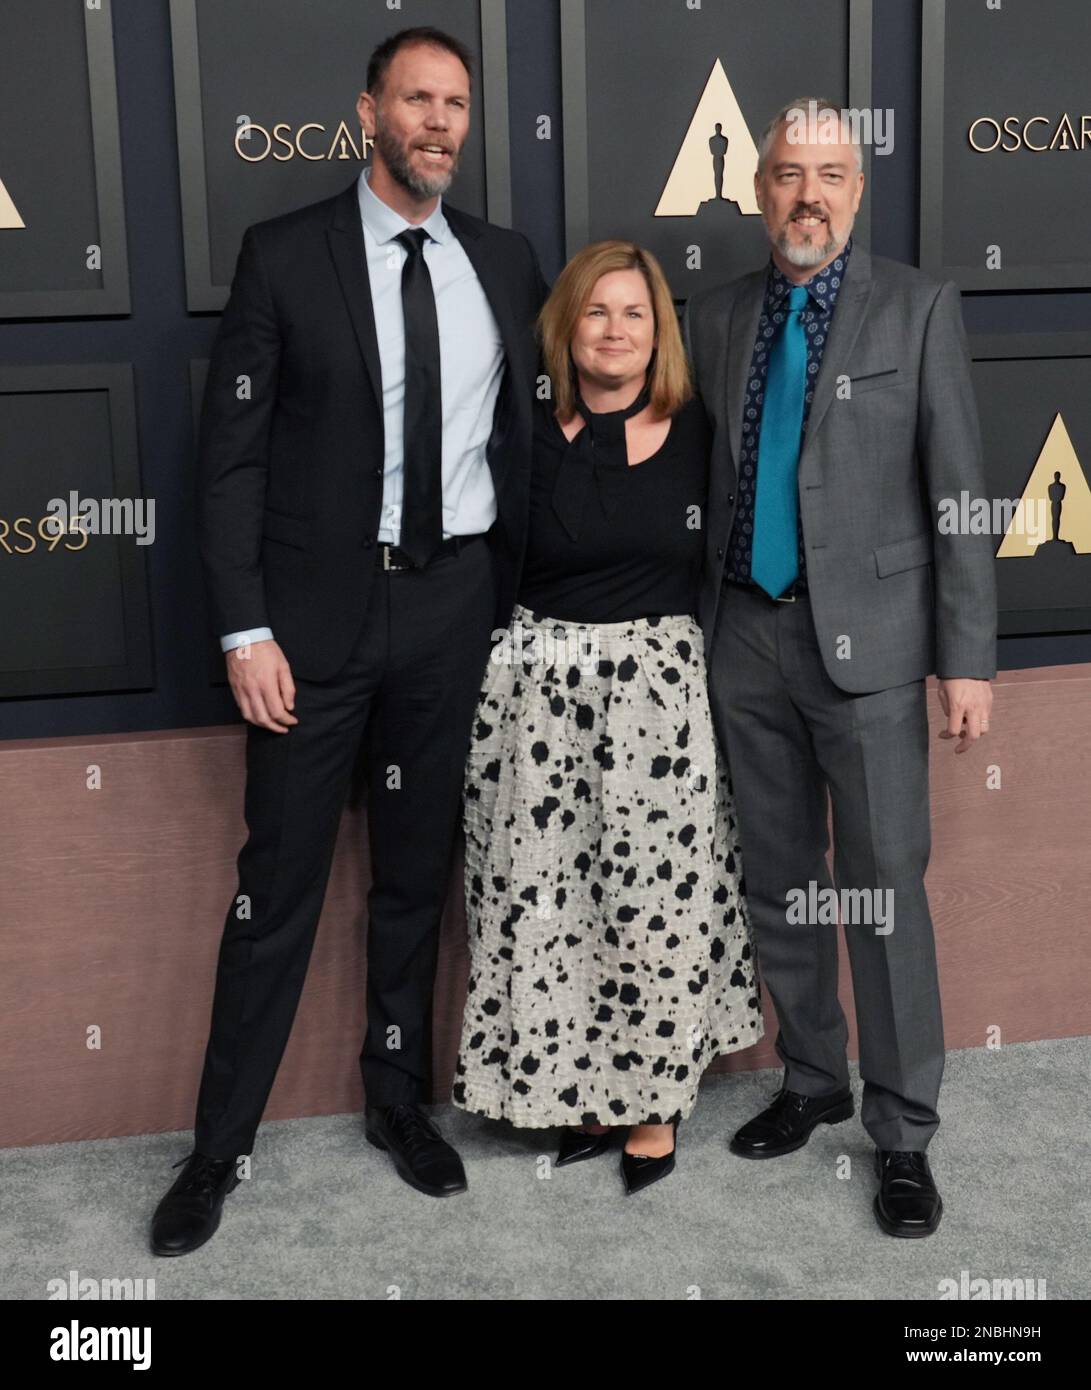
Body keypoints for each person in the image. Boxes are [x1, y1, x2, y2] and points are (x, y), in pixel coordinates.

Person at [151, 27, 547, 1256]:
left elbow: (535, 453)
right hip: (311, 630)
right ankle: (218, 1148)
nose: (438, 121)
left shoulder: (504, 262)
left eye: (457, 104)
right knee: (275, 893)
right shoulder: (284, 257)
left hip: (451, 614)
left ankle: (398, 1103)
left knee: (415, 882)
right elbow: (229, 467)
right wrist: (243, 629)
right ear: (368, 111)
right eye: (417, 98)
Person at [683, 98, 997, 1236]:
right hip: (743, 638)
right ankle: (811, 1077)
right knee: (780, 880)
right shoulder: (713, 317)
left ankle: (902, 1128)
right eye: (784, 173)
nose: (804, 193)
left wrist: (964, 658)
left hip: (869, 653)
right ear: (757, 189)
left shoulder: (916, 308)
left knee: (881, 896)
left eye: (827, 173)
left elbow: (958, 495)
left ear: (855, 192)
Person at [452, 240, 763, 1194]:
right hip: (536, 695)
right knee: (544, 901)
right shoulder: (521, 431)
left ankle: (654, 1104)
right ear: (566, 327)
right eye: (596, 312)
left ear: (657, 330)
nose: (615, 331)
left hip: (656, 704)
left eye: (634, 313)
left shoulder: (701, 430)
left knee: (653, 908)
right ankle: (575, 1092)